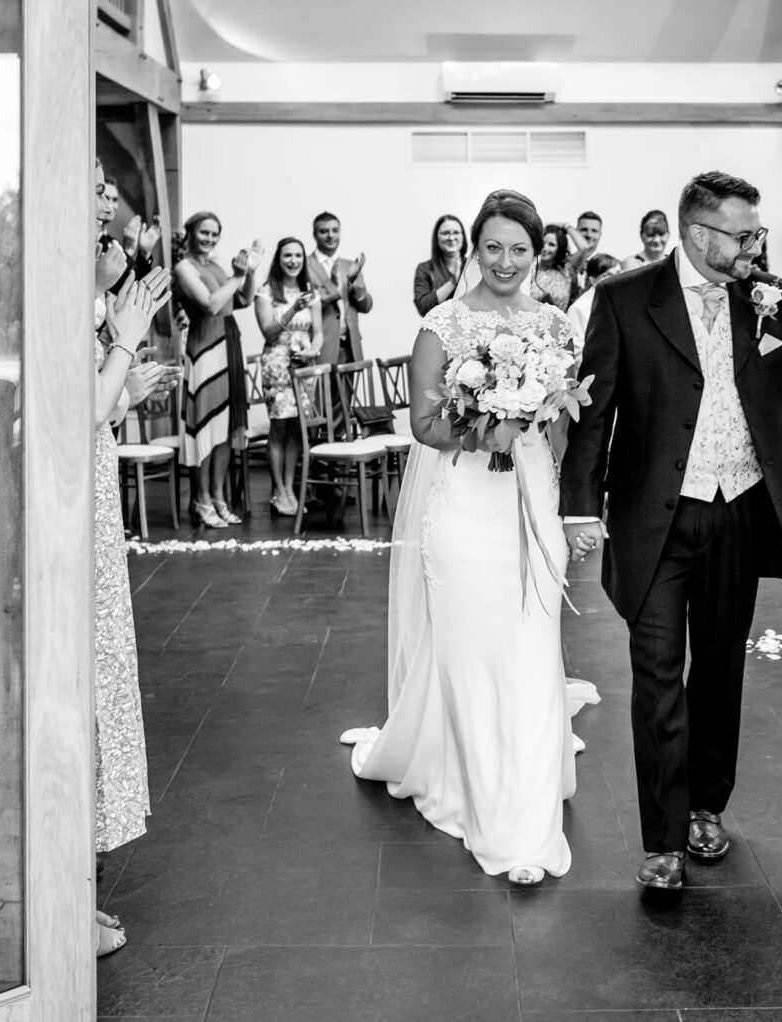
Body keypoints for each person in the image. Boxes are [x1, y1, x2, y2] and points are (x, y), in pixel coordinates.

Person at [560, 170, 782, 890]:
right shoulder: (624, 298)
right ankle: (664, 839)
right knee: (656, 680)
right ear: (698, 232)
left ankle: (708, 805)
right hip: (653, 517)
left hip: (739, 511)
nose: (753, 246)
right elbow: (596, 411)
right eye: (742, 235)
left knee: (718, 672)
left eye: (756, 233)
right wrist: (579, 506)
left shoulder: (766, 297)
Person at [343, 189, 596, 886]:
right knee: (470, 646)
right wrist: (489, 424)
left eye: (520, 248)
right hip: (462, 509)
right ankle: (484, 800)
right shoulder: (442, 324)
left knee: (529, 643)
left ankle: (527, 795)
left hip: (532, 496)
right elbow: (424, 426)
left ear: (538, 251)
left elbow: (569, 420)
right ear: (474, 249)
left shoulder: (554, 325)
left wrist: (569, 500)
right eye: (493, 247)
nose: (506, 261)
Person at [90, 160, 179, 958]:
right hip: (70, 509)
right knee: (78, 689)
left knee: (98, 679)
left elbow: (101, 405)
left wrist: (128, 378)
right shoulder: (61, 296)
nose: (107, 215)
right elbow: (79, 408)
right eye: (96, 197)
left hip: (93, 496)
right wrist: (122, 342)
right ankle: (65, 897)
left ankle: (77, 885)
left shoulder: (89, 291)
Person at [174, 210, 261, 528]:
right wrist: (238, 277)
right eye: (204, 232)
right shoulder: (184, 267)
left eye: (214, 233)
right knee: (205, 427)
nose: (209, 239)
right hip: (204, 350)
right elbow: (210, 304)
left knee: (225, 430)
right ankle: (202, 499)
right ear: (191, 233)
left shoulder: (219, 264)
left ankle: (219, 496)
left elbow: (243, 300)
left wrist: (249, 273)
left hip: (229, 344)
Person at [254, 238, 323, 516]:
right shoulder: (265, 291)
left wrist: (313, 351)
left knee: (296, 429)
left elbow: (317, 331)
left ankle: (291, 489)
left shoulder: (311, 292)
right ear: (278, 259)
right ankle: (278, 490)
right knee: (279, 428)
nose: (293, 260)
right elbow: (268, 332)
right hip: (277, 363)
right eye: (287, 255)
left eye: (297, 255)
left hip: (303, 365)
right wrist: (294, 307)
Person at [308, 211, 372, 364]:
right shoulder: (304, 266)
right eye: (324, 231)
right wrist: (333, 287)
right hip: (319, 347)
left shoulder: (350, 265)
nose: (330, 235)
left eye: (335, 230)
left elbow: (366, 307)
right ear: (315, 235)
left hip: (349, 346)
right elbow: (305, 306)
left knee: (347, 390)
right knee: (320, 389)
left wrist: (355, 281)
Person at [566, 252, 621, 351]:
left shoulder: (621, 302)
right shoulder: (579, 308)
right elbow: (578, 350)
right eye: (608, 275)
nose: (616, 279)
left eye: (618, 274)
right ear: (592, 279)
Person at [412, 214, 465, 317]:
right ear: (436, 237)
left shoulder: (474, 266)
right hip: (438, 331)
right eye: (445, 233)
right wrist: (452, 282)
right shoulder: (424, 269)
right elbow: (423, 308)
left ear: (463, 236)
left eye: (456, 232)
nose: (451, 237)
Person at [529, 223, 583, 311]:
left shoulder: (567, 269)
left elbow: (584, 248)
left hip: (557, 322)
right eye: (543, 243)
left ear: (560, 248)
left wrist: (566, 226)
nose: (545, 248)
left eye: (551, 244)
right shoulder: (531, 265)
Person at [574, 210, 603, 288]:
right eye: (584, 230)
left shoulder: (612, 266)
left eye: (594, 231)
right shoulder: (562, 263)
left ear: (600, 235)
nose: (589, 235)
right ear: (576, 232)